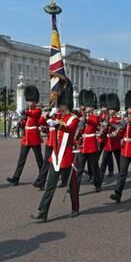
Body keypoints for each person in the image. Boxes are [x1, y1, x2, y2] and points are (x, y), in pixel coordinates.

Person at [31, 81, 79, 222]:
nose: (59, 106)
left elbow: (69, 129)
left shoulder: (73, 118)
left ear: (67, 104)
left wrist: (57, 123)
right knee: (50, 186)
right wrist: (47, 115)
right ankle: (42, 212)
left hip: (67, 156)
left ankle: (75, 207)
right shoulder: (57, 115)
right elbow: (40, 122)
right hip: (56, 156)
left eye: (60, 104)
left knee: (72, 185)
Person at [110, 90, 131, 203]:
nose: (129, 110)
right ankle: (118, 193)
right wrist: (116, 134)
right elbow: (121, 132)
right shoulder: (124, 119)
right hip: (125, 149)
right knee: (122, 172)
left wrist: (130, 122)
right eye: (129, 108)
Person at [7, 86, 44, 185]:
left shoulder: (37, 110)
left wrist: (25, 113)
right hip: (26, 138)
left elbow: (34, 115)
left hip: (34, 138)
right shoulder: (28, 112)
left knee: (39, 160)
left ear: (35, 101)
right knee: (21, 159)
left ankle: (42, 177)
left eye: (31, 101)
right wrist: (21, 121)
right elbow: (25, 124)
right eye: (28, 101)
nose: (29, 103)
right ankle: (16, 177)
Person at [75, 90, 102, 192]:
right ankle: (75, 187)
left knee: (94, 167)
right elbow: (79, 130)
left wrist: (85, 120)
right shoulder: (81, 117)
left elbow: (94, 123)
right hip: (82, 145)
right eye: (87, 106)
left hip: (91, 145)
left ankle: (97, 184)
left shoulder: (95, 117)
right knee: (80, 168)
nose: (88, 108)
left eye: (90, 106)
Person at [99, 93, 122, 184]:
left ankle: (121, 180)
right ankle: (99, 182)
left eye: (113, 109)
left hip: (116, 144)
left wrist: (109, 124)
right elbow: (104, 130)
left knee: (120, 164)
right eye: (110, 109)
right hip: (108, 144)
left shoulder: (118, 119)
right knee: (103, 164)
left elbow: (118, 127)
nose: (111, 111)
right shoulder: (106, 118)